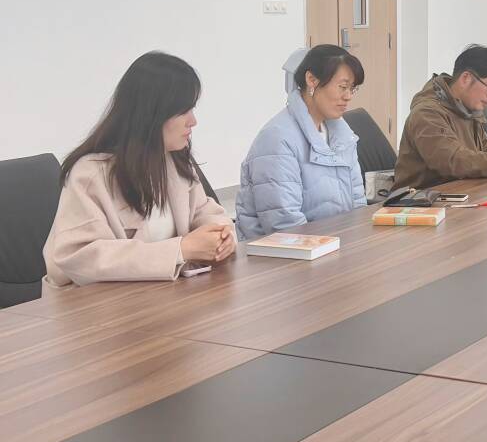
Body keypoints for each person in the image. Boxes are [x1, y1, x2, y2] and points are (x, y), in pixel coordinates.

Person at [44, 52, 236, 286]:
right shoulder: (90, 174)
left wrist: (222, 235)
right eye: (183, 111)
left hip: (158, 296)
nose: (193, 121)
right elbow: (81, 258)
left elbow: (205, 212)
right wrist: (181, 250)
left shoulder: (175, 160)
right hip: (94, 303)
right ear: (153, 113)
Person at [236, 44, 367, 240]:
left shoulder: (343, 135)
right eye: (342, 87)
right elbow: (284, 225)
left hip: (332, 244)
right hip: (284, 252)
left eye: (352, 89)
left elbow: (357, 203)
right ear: (311, 80)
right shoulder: (277, 138)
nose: (348, 96)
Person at [392, 45, 487, 191]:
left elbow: (485, 150)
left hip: (460, 193)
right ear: (466, 78)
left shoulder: (469, 109)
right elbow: (451, 161)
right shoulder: (427, 113)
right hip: (420, 199)